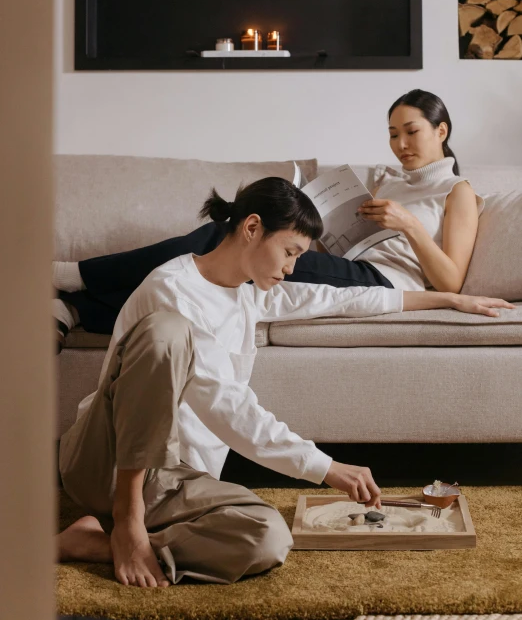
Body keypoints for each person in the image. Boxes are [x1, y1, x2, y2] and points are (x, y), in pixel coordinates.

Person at [57, 176, 513, 588]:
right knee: (167, 332)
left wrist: (449, 297)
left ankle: (96, 542)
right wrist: (325, 467)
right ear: (252, 228)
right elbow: (225, 404)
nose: (293, 267)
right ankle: (128, 521)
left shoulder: (247, 293)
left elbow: (344, 299)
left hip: (174, 477)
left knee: (267, 537)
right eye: (291, 251)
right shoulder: (172, 289)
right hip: (107, 460)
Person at [53, 89, 486, 349]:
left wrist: (408, 224)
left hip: (385, 281)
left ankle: (75, 280)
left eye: (412, 131)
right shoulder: (390, 181)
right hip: (353, 264)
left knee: (219, 239)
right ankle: (79, 308)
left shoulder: (457, 192)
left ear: (441, 131)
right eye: (393, 134)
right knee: (219, 278)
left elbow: (450, 280)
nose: (401, 143)